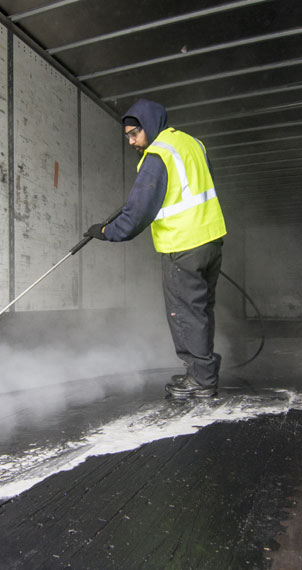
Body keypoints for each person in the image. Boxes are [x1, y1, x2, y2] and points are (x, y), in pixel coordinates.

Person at [85, 98, 227, 398]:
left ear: (149, 125)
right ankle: (202, 373)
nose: (132, 140)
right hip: (210, 240)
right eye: (127, 136)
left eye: (135, 133)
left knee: (184, 313)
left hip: (183, 245)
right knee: (200, 311)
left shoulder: (157, 156)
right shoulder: (191, 144)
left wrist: (105, 231)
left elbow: (137, 214)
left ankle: (201, 380)